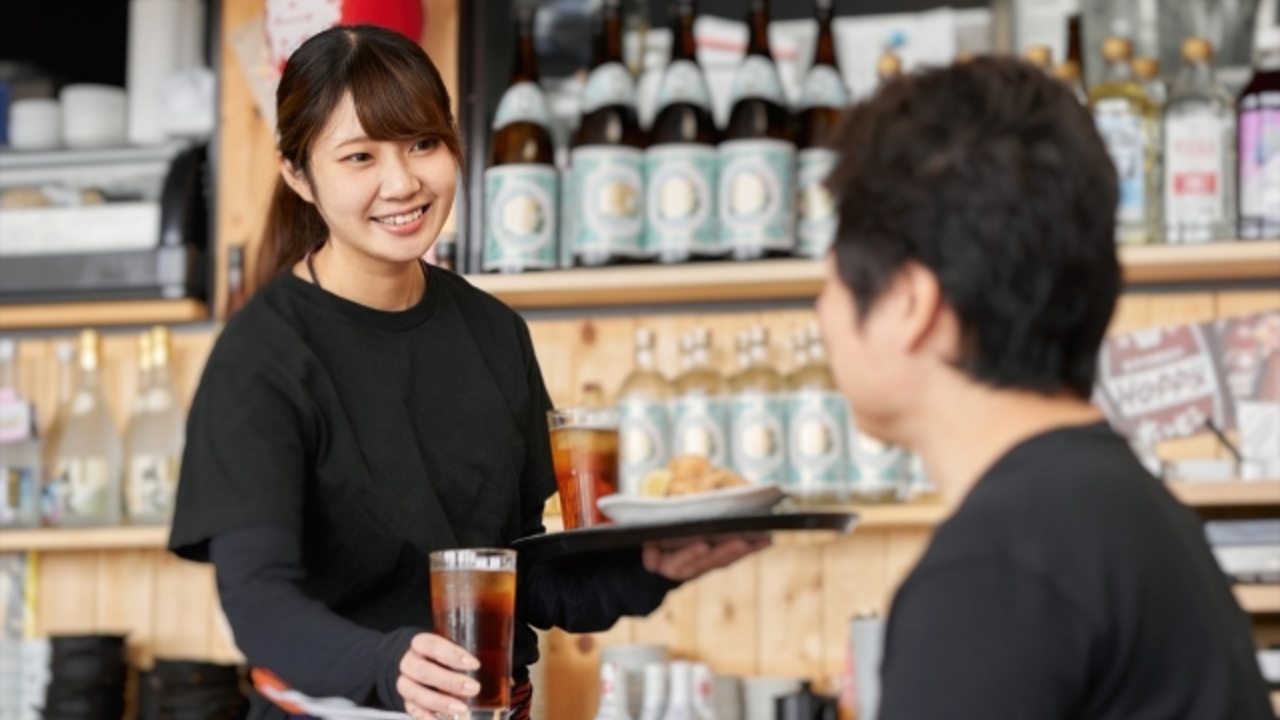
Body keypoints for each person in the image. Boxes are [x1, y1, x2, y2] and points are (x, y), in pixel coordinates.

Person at [168, 25, 763, 720]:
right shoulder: (262, 356)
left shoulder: (493, 332)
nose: (403, 182)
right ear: (297, 173)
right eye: (359, 156)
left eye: (423, 143)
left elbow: (531, 577)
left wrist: (647, 569)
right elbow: (259, 604)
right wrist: (388, 665)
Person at [816, 57, 1271, 719]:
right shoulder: (1115, 513)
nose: (821, 314)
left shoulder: (994, 573)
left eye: (828, 281)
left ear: (913, 305)